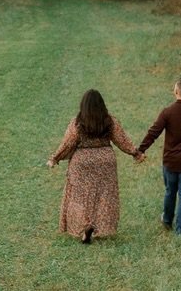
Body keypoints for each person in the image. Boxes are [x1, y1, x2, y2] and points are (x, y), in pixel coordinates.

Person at [47, 89, 143, 244]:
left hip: (82, 162)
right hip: (105, 161)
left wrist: (55, 158)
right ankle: (100, 226)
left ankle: (85, 226)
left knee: (79, 196)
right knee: (104, 196)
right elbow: (122, 140)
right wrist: (135, 153)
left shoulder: (78, 122)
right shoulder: (109, 121)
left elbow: (68, 143)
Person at [137, 77, 181, 235]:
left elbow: (153, 132)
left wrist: (141, 149)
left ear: (176, 91)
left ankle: (167, 220)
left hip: (171, 161)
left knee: (170, 190)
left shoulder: (168, 112)